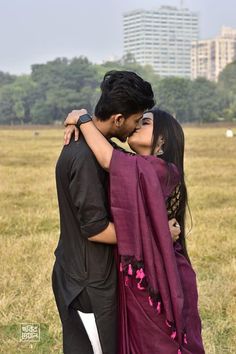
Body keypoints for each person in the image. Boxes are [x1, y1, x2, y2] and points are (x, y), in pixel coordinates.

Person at [52, 70, 180, 354]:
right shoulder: (86, 157)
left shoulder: (103, 150)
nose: (135, 128)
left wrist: (81, 116)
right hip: (87, 284)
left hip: (94, 277)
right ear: (119, 119)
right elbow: (96, 229)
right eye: (137, 121)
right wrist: (157, 235)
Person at [63, 107, 205, 354]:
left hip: (163, 278)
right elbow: (109, 153)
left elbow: (108, 159)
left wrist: (83, 118)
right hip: (144, 274)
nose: (138, 124)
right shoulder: (137, 165)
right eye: (138, 120)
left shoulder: (162, 170)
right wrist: (84, 127)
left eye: (146, 122)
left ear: (162, 140)